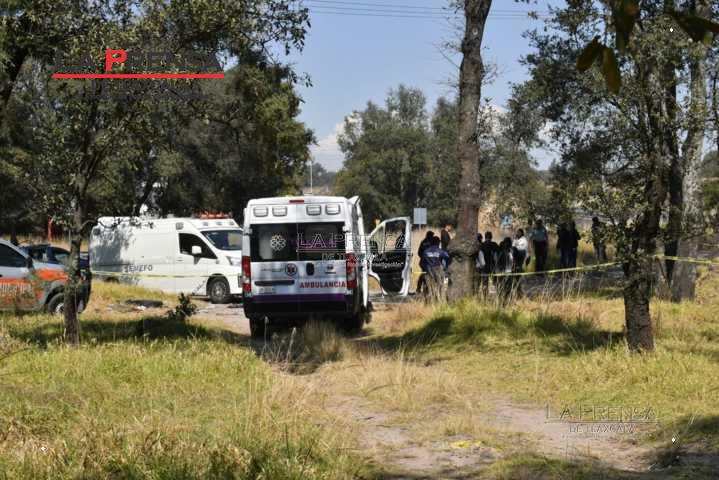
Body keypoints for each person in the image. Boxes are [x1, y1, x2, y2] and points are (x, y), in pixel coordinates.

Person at [422, 236, 451, 302]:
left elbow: (422, 262)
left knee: (430, 288)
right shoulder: (440, 251)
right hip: (438, 270)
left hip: (428, 271)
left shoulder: (425, 251)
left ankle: (430, 302)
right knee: (440, 286)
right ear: (438, 243)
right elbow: (447, 256)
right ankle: (440, 301)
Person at [479, 231, 499, 298]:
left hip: (484, 267)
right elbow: (496, 256)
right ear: (491, 237)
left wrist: (482, 265)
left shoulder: (482, 245)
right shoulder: (494, 244)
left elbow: (480, 256)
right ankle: (497, 296)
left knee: (485, 283)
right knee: (495, 282)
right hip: (492, 266)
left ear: (485, 237)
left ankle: (485, 298)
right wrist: (496, 265)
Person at [495, 237, 514, 305]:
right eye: (506, 243)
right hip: (504, 272)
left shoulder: (510, 252)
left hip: (506, 272)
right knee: (504, 288)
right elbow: (497, 262)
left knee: (504, 288)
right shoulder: (503, 252)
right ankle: (502, 302)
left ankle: (504, 302)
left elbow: (512, 262)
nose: (507, 245)